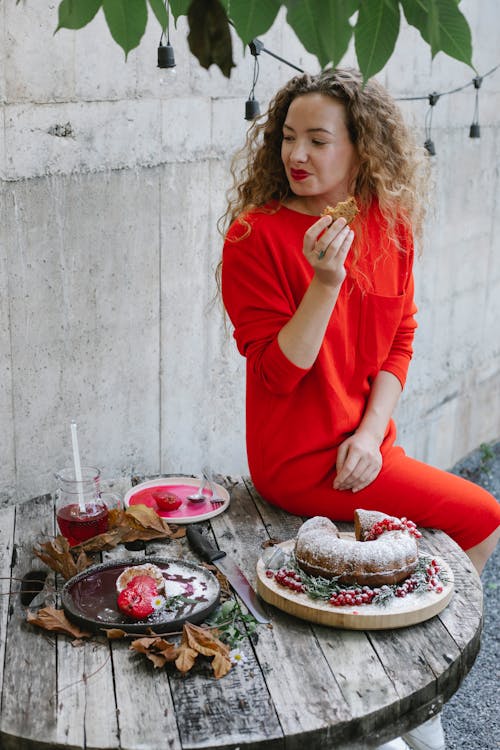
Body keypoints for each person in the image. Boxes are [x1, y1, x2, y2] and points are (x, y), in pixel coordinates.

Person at [220, 68, 500, 750]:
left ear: (361, 150)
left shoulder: (390, 224)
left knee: (462, 529)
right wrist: (323, 283)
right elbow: (278, 375)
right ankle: (410, 685)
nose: (297, 155)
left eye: (319, 139)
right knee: (486, 515)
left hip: (367, 444)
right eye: (288, 137)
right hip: (297, 457)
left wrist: (374, 432)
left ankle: (403, 682)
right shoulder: (253, 236)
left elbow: (400, 340)